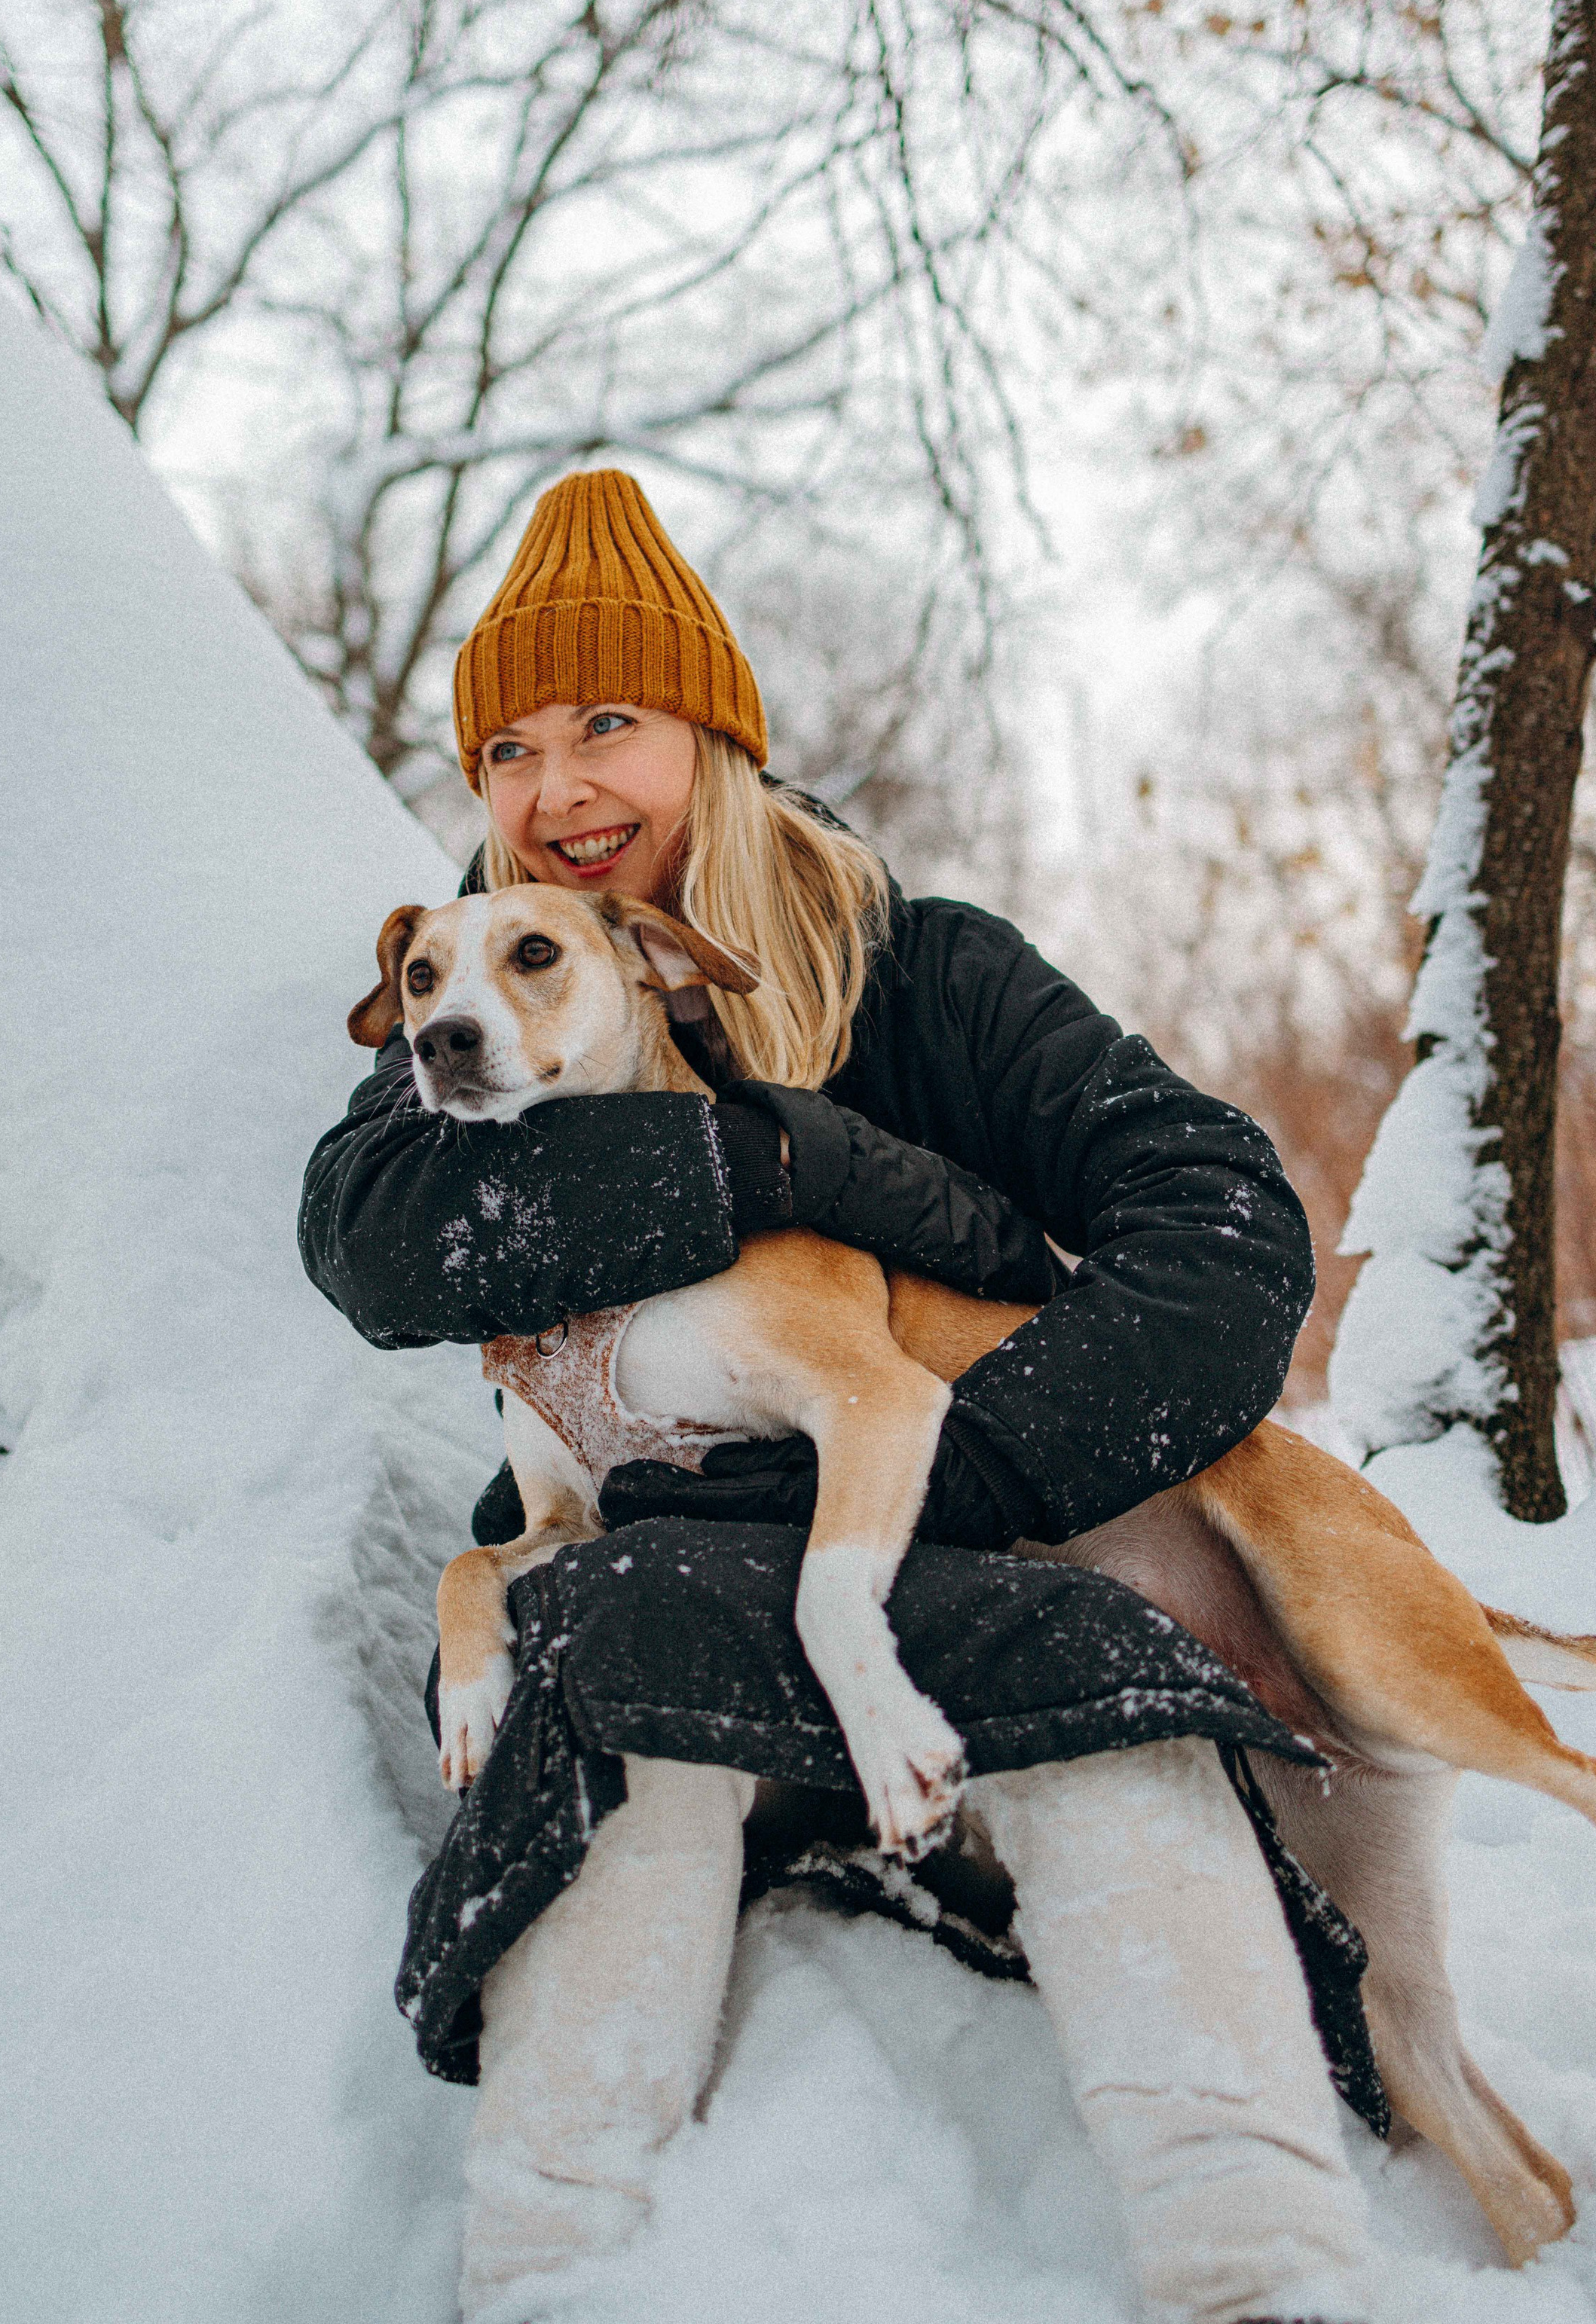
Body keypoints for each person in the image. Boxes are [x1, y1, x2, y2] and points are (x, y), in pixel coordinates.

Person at [301, 470, 1378, 2324]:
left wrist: (986, 1466)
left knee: (1087, 1667)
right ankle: (547, 2268)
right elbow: (375, 1236)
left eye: (605, 726)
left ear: (711, 731)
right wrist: (760, 1170)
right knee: (603, 1632)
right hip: (640, 1609)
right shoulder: (470, 979)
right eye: (503, 751)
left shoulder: (926, 966)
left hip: (948, 1552)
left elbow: (1222, 1218)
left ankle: (1260, 2266)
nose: (552, 794)